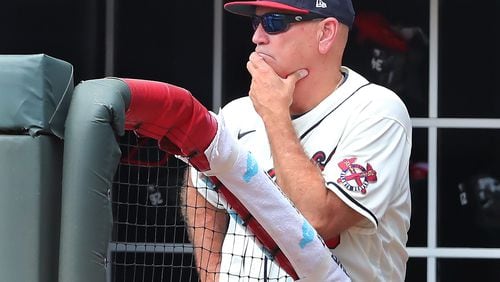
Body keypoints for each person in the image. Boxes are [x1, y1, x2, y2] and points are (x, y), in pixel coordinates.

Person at [182, 0, 412, 281]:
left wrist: (274, 114)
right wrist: (212, 273)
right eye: (256, 23)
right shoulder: (237, 114)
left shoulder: (377, 112)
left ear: (325, 33)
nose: (257, 37)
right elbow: (199, 188)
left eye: (275, 22)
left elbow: (317, 221)